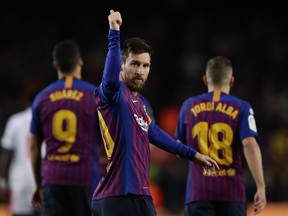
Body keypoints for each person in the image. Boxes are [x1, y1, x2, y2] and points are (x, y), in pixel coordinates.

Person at [91, 10, 219, 216]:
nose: (140, 71)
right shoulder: (112, 94)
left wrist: (193, 155)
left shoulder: (139, 103)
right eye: (134, 64)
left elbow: (156, 134)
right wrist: (114, 32)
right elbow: (110, 76)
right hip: (118, 196)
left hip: (138, 195)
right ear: (122, 65)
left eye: (145, 65)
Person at [175, 56, 266, 216]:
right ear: (231, 80)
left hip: (198, 192)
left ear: (205, 79)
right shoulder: (242, 107)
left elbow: (178, 147)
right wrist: (261, 186)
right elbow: (250, 144)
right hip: (232, 193)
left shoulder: (189, 105)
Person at [29, 40, 104, 216]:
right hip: (86, 178)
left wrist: (38, 185)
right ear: (80, 62)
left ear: (55, 64)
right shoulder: (95, 95)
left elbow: (34, 147)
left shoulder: (42, 97)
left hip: (52, 179)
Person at [0, 93, 39, 216]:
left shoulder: (15, 121)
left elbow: (7, 155)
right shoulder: (48, 120)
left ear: (25, 102)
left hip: (19, 182)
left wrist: (2, 183)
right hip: (41, 180)